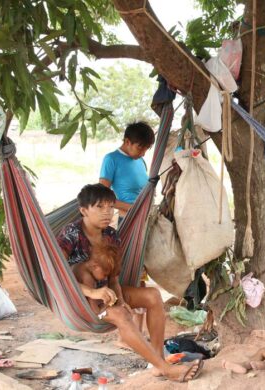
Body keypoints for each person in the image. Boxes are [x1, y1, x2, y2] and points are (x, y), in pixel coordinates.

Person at [57, 184, 202, 382]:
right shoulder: (70, 234)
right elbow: (57, 275)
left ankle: (158, 361)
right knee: (122, 316)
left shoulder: (110, 235)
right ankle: (166, 368)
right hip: (80, 299)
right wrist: (92, 293)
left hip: (106, 291)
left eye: (110, 207)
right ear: (83, 210)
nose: (107, 212)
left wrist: (120, 298)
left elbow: (114, 275)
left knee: (153, 295)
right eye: (100, 207)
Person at [99, 121, 155, 336]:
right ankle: (127, 333)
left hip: (146, 222)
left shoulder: (140, 161)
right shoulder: (112, 160)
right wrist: (131, 209)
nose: (142, 153)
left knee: (143, 276)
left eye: (147, 149)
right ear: (127, 142)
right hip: (128, 224)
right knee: (131, 275)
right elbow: (103, 194)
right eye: (140, 147)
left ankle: (137, 332)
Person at [72, 243, 120, 314]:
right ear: (95, 266)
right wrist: (105, 307)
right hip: (78, 309)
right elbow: (94, 310)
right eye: (105, 274)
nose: (105, 278)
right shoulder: (87, 278)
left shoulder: (80, 266)